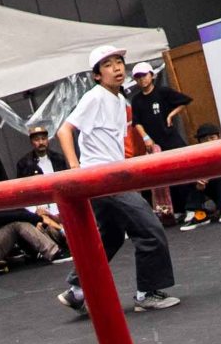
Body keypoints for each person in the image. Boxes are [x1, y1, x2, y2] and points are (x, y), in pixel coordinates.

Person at [54, 47, 178, 314]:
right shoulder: (95, 97)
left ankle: (77, 290)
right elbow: (64, 130)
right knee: (150, 230)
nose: (117, 68)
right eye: (108, 65)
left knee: (110, 236)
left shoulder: (120, 101)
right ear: (97, 75)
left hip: (113, 175)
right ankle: (147, 293)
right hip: (101, 177)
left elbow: (115, 143)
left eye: (119, 62)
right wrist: (75, 168)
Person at [127, 61, 200, 221]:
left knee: (184, 172)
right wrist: (146, 138)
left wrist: (171, 115)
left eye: (144, 75)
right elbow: (137, 122)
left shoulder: (163, 92)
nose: (142, 79)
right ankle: (178, 209)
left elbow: (185, 101)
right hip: (155, 145)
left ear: (152, 75)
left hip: (171, 139)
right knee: (167, 176)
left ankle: (193, 207)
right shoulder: (137, 100)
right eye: (138, 77)